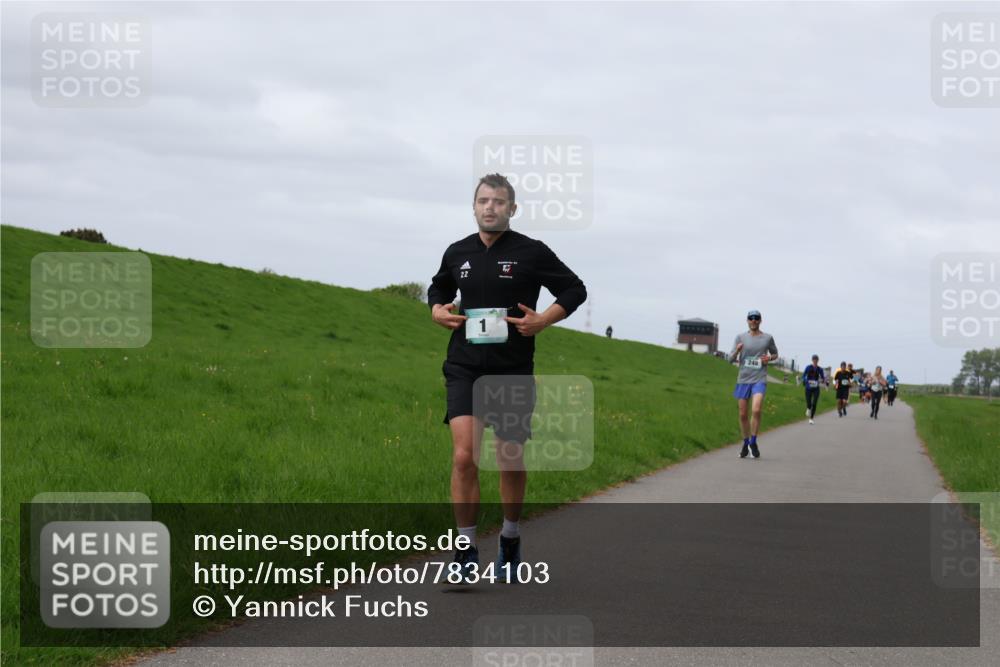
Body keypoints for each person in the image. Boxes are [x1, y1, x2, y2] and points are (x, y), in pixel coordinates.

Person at [428, 173, 587, 583]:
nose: (490, 207)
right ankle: (464, 554)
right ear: (474, 205)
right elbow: (439, 287)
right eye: (483, 200)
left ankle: (510, 537)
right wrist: (437, 310)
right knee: (464, 456)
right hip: (464, 365)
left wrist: (543, 321)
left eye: (499, 202)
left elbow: (574, 289)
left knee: (509, 458)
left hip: (512, 368)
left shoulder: (531, 252)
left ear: (512, 209)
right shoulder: (457, 251)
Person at [728, 310, 778, 458]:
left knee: (756, 410)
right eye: (751, 318)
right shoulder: (740, 337)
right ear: (747, 320)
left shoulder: (767, 338)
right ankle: (745, 442)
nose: (754, 320)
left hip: (759, 379)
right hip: (743, 379)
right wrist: (737, 351)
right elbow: (730, 360)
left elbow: (775, 354)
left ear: (760, 320)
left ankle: (753, 441)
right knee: (743, 414)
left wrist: (768, 358)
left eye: (756, 318)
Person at [801, 354, 828, 424]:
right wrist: (805, 380)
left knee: (814, 403)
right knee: (809, 403)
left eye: (816, 360)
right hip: (808, 387)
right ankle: (808, 408)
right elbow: (803, 376)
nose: (815, 361)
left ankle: (811, 418)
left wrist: (824, 381)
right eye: (814, 360)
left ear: (818, 361)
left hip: (816, 388)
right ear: (812, 360)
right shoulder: (808, 367)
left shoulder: (820, 369)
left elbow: (823, 378)